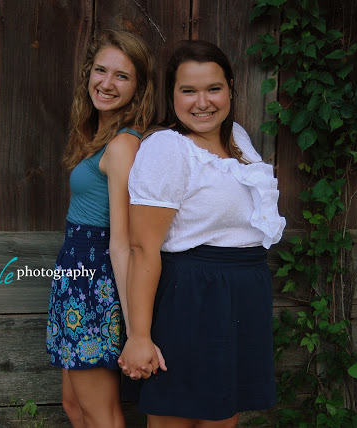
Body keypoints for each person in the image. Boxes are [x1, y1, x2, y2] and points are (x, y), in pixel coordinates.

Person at [118, 40, 286, 428]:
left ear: (231, 89)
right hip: (192, 298)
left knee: (223, 421)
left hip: (241, 299)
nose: (202, 102)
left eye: (213, 88)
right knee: (176, 419)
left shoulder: (237, 137)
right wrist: (139, 336)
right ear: (172, 95)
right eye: (188, 91)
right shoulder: (167, 148)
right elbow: (142, 248)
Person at [45, 29, 159, 428]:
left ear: (139, 88)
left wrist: (136, 331)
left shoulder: (123, 145)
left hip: (95, 285)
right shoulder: (100, 136)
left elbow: (122, 243)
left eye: (121, 76)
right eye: (100, 70)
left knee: (101, 414)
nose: (107, 83)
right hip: (76, 277)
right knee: (75, 406)